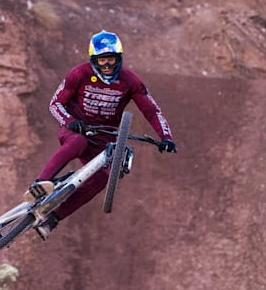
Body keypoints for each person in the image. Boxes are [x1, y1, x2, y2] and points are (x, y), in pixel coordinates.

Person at [24, 31, 176, 239]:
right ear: (93, 59)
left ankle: (52, 220)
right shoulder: (79, 74)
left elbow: (151, 110)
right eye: (102, 60)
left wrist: (166, 137)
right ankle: (39, 184)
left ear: (119, 58)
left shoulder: (130, 81)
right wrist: (70, 122)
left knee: (101, 179)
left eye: (111, 60)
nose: (107, 65)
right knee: (78, 141)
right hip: (76, 129)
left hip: (104, 139)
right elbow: (55, 103)